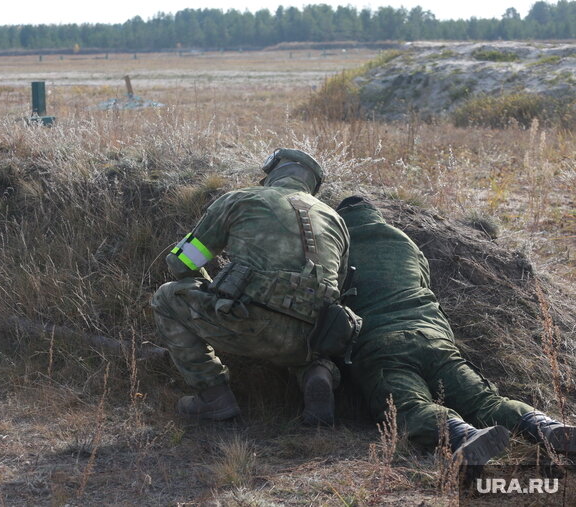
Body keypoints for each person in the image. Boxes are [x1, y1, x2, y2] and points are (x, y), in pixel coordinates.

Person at [336, 195, 576, 465]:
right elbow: (423, 281)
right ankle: (545, 425)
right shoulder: (404, 241)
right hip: (435, 339)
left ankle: (463, 434)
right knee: (485, 401)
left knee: (409, 407)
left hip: (382, 346)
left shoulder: (338, 246)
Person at [151, 149, 357, 425]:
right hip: (309, 339)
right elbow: (337, 289)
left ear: (272, 174)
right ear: (312, 184)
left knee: (167, 296)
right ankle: (316, 374)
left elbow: (181, 264)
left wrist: (213, 287)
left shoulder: (241, 199)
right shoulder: (336, 220)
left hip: (246, 323)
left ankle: (213, 398)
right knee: (307, 334)